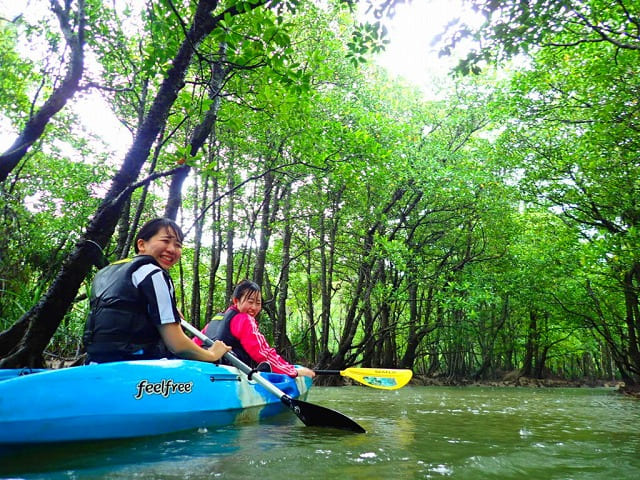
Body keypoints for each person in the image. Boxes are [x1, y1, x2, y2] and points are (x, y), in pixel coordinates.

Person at [83, 217, 231, 364]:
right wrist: (212, 354)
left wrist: (168, 310)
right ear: (141, 244)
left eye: (178, 245)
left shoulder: (105, 273)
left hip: (95, 361)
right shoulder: (153, 273)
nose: (172, 249)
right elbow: (177, 345)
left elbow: (123, 310)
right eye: (165, 241)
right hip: (136, 365)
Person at [194, 279, 315, 378]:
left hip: (203, 372)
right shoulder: (244, 319)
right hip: (227, 377)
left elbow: (194, 345)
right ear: (236, 301)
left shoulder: (215, 320)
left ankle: (263, 369)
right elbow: (263, 353)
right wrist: (294, 372)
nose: (254, 307)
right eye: (250, 301)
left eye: (258, 303)